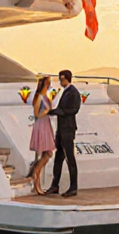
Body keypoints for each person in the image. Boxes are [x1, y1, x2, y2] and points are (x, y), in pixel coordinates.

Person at [46, 69, 82, 197]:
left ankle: (73, 186)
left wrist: (57, 112)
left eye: (62, 79)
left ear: (67, 78)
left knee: (70, 158)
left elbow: (73, 109)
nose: (60, 82)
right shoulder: (66, 92)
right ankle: (55, 185)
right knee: (58, 158)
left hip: (68, 129)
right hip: (61, 129)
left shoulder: (73, 93)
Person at [26, 75, 56, 194]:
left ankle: (36, 175)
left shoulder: (45, 97)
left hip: (46, 124)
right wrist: (46, 111)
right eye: (48, 83)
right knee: (46, 152)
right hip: (41, 124)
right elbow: (37, 114)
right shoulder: (39, 97)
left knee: (47, 153)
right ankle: (36, 176)